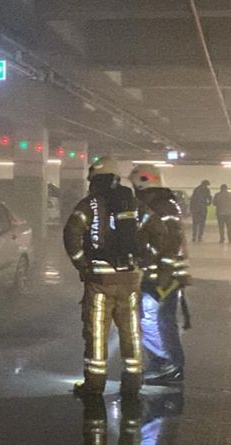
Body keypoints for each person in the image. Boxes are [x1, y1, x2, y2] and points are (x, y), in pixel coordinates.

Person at [63, 156, 144, 398]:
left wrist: (81, 264)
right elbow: (155, 232)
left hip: (100, 281)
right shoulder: (132, 204)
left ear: (95, 180)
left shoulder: (89, 205)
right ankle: (132, 382)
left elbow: (71, 234)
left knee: (97, 332)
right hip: (130, 279)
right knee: (131, 332)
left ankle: (94, 385)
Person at [129, 164, 191, 384]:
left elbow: (170, 241)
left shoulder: (160, 205)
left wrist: (162, 273)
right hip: (163, 274)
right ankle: (163, 364)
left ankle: (168, 365)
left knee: (155, 321)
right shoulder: (161, 202)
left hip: (162, 276)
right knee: (159, 320)